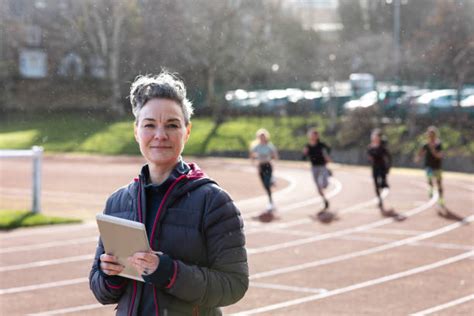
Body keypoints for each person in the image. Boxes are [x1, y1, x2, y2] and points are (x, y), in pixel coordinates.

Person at [89, 71, 249, 315]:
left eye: (172, 125)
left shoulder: (214, 202)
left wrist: (166, 270)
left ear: (187, 131)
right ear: (136, 132)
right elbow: (101, 290)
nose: (160, 135)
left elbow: (234, 285)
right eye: (149, 125)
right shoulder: (117, 202)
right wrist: (110, 275)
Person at [249, 128, 279, 220]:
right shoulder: (256, 146)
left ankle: (270, 201)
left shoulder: (269, 146)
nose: (262, 138)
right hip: (261, 166)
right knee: (265, 185)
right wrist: (253, 161)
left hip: (268, 166)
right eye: (260, 136)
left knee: (267, 182)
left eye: (263, 136)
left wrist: (273, 159)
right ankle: (271, 200)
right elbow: (252, 154)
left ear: (266, 137)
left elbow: (275, 154)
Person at [302, 128, 332, 213]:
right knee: (318, 188)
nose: (313, 136)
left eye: (315, 135)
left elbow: (329, 149)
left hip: (322, 166)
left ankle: (327, 175)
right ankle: (324, 200)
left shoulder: (321, 145)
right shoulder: (307, 146)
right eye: (312, 135)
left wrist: (327, 156)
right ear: (309, 136)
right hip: (314, 167)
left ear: (317, 136)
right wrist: (304, 153)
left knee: (324, 184)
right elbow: (303, 158)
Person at [416, 126, 444, 206]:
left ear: (435, 135)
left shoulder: (438, 144)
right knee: (429, 178)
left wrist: (433, 149)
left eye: (432, 135)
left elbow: (439, 155)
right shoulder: (425, 144)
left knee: (439, 183)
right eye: (429, 135)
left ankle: (441, 198)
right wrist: (418, 157)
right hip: (429, 166)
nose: (430, 136)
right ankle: (431, 189)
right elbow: (421, 152)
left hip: (437, 167)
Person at [367, 128, 391, 213]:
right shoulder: (370, 147)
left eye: (376, 136)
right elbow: (369, 157)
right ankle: (379, 199)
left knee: (382, 184)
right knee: (376, 185)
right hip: (374, 168)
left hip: (382, 167)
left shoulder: (382, 147)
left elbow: (388, 156)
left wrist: (388, 167)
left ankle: (384, 183)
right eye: (373, 137)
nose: (374, 138)